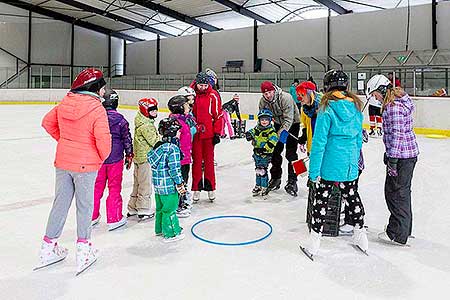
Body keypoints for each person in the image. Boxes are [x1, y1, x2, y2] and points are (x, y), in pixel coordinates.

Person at [37, 68, 111, 275]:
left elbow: (47, 122)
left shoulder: (66, 101)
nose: (104, 92)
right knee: (85, 206)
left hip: (63, 162)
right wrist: (98, 157)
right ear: (94, 88)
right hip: (86, 166)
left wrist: (66, 142)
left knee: (60, 204)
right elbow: (104, 144)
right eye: (102, 87)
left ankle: (48, 247)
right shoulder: (97, 109)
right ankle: (84, 249)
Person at [301, 70, 367, 259]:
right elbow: (358, 141)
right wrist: (353, 165)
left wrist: (314, 172)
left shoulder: (326, 107)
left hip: (329, 166)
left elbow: (319, 142)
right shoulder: (355, 107)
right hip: (348, 165)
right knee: (353, 198)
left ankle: (314, 242)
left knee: (321, 202)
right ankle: (361, 235)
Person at [366, 74, 419, 246]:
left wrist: (393, 159)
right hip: (407, 155)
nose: (375, 98)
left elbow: (397, 135)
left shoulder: (393, 107)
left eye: (375, 94)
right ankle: (404, 229)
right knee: (402, 192)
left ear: (382, 90)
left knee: (395, 193)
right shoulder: (399, 101)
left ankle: (396, 234)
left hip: (402, 156)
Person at [91, 88, 133, 231]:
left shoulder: (96, 118)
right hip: (115, 160)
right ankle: (114, 218)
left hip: (99, 159)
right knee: (114, 188)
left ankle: (91, 216)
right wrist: (129, 154)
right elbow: (127, 139)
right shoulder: (121, 120)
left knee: (96, 188)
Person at [147, 117, 186, 243]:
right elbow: (174, 169)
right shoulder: (172, 149)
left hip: (158, 187)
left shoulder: (158, 147)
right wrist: (180, 183)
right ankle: (171, 233)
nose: (179, 133)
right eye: (178, 131)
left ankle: (159, 229)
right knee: (170, 209)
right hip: (169, 186)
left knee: (160, 208)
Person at [259, 81, 300, 196]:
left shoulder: (285, 98)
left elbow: (288, 119)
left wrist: (278, 135)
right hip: (278, 124)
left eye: (269, 92)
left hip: (293, 124)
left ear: (274, 90)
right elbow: (262, 117)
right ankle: (276, 177)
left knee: (291, 153)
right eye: (265, 94)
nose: (268, 95)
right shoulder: (263, 101)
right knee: (275, 151)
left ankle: (293, 180)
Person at [190, 72, 223, 202]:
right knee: (197, 162)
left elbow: (218, 115)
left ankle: (210, 188)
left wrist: (217, 133)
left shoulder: (213, 95)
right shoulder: (192, 95)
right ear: (196, 84)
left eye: (205, 85)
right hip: (196, 135)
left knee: (209, 162)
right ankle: (196, 188)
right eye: (200, 85)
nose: (202, 88)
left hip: (209, 136)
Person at [128, 98, 160, 220]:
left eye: (156, 109)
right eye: (152, 111)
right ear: (145, 111)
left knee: (137, 184)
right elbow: (154, 141)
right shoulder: (146, 126)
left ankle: (133, 207)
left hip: (139, 157)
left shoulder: (141, 120)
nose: (155, 112)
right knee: (145, 184)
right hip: (145, 158)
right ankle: (143, 209)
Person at [167, 95, 193, 218]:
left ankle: (181, 202)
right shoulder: (175, 123)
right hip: (180, 159)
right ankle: (178, 205)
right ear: (179, 108)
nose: (189, 107)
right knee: (180, 181)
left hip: (185, 156)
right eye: (186, 105)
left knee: (183, 180)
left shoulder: (182, 119)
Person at [245, 109, 278, 197]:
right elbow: (252, 131)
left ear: (270, 121)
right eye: (262, 119)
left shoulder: (271, 131)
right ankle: (258, 185)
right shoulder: (257, 129)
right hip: (256, 154)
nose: (264, 121)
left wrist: (264, 149)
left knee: (263, 171)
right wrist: (249, 134)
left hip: (265, 155)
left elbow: (273, 141)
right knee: (258, 170)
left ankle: (264, 186)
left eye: (266, 120)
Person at [296, 81, 322, 154]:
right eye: (298, 95)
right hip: (312, 147)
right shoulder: (304, 109)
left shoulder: (323, 106)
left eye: (302, 95)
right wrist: (304, 137)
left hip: (324, 148)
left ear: (310, 94)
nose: (299, 98)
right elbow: (305, 125)